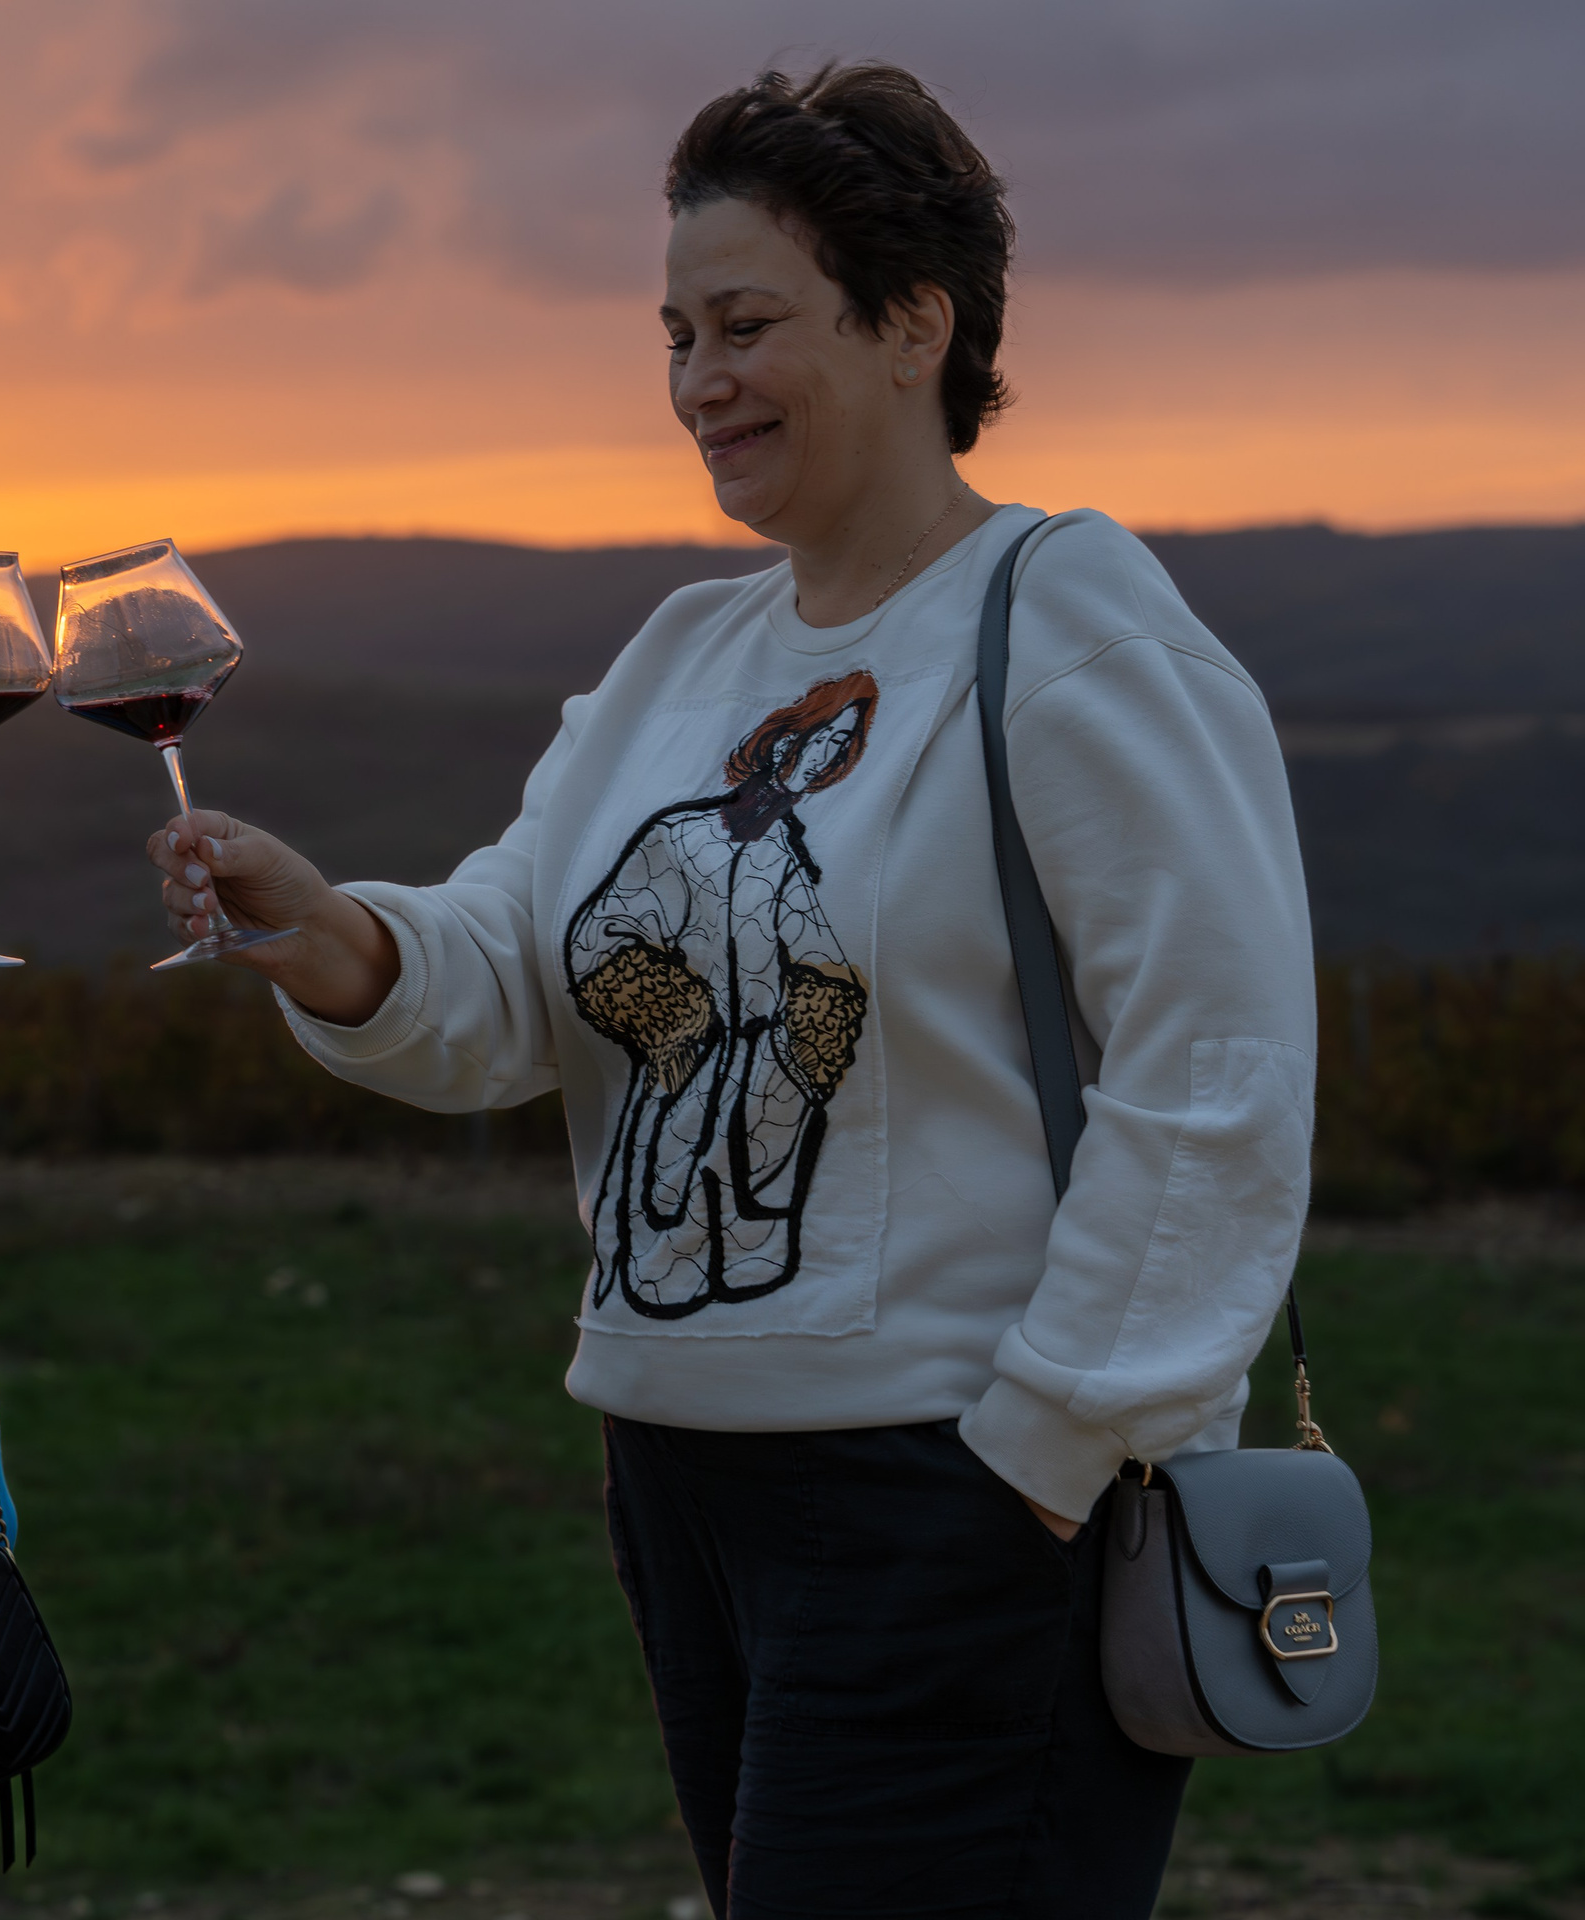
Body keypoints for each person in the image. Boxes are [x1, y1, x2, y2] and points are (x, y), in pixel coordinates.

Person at [148, 64, 1312, 1920]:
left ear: (914, 324)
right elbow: (519, 975)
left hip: (950, 1495)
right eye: (678, 335)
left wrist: (1050, 1452)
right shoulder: (682, 657)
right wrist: (336, 935)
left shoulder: (1065, 622)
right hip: (684, 1485)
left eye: (749, 324)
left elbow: (1220, 1063)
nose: (700, 379)